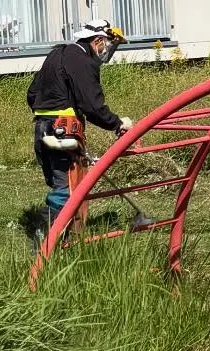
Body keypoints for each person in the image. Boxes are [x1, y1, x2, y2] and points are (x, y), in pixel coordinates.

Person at [26, 19, 131, 229]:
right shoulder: (82, 60)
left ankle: (68, 236)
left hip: (42, 127)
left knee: (60, 183)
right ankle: (45, 234)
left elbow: (32, 93)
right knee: (69, 188)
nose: (106, 51)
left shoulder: (58, 54)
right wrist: (117, 123)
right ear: (98, 40)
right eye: (107, 44)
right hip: (63, 130)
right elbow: (92, 105)